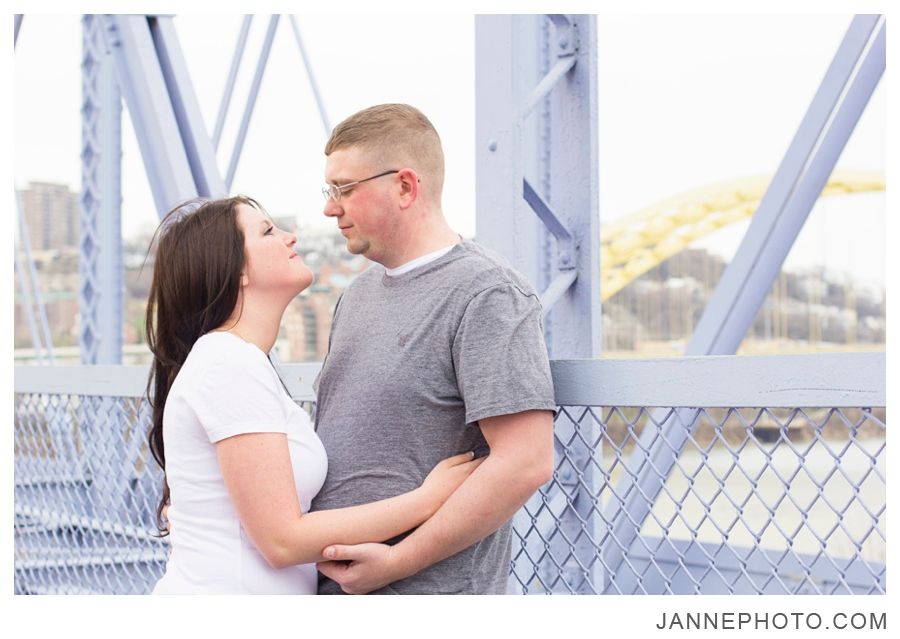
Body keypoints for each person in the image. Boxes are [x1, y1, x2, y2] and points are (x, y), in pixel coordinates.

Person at [145, 195, 483, 594]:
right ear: (236, 270)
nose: (290, 237)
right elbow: (282, 541)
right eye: (268, 231)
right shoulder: (226, 362)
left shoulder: (238, 361)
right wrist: (427, 501)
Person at [312, 104, 557, 595]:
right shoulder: (356, 295)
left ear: (405, 186)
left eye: (344, 188)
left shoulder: (487, 293)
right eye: (329, 190)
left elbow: (525, 461)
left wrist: (397, 562)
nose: (329, 207)